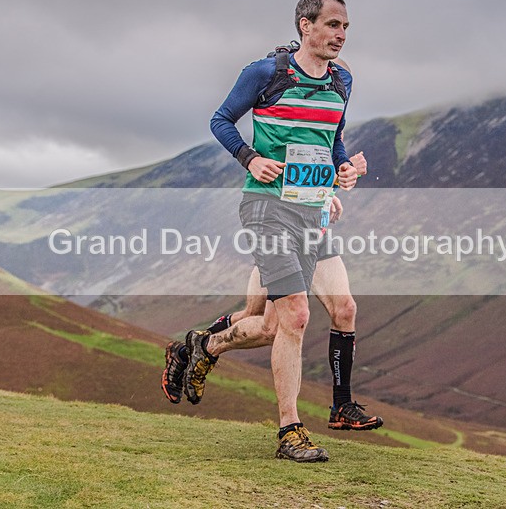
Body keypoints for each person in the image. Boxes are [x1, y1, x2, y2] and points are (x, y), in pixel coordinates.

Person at [181, 0, 361, 463]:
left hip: (311, 211)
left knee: (271, 321)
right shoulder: (266, 73)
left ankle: (207, 344)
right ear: (306, 25)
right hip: (267, 208)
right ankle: (290, 431)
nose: (340, 35)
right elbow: (221, 120)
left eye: (345, 27)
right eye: (332, 25)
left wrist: (340, 173)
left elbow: (331, 140)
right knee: (297, 315)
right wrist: (251, 157)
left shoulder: (342, 81)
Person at [162, 151, 384, 436]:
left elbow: (321, 162)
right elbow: (291, 165)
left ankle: (341, 405)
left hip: (316, 234)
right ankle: (194, 349)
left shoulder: (331, 115)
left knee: (345, 309)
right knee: (263, 323)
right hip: (281, 233)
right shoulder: (282, 114)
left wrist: (336, 185)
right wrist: (336, 181)